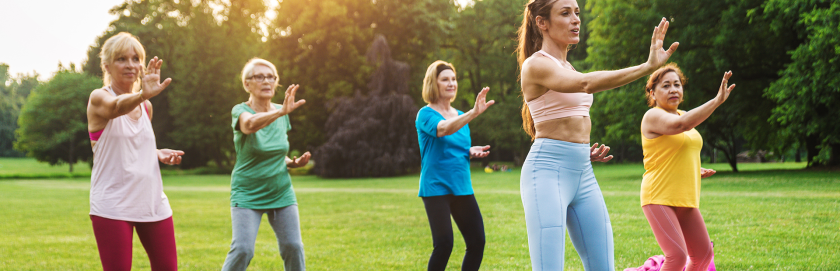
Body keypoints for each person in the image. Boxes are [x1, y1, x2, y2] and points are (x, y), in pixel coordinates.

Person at [516, 0, 679, 269]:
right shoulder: (536, 65)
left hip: (582, 172)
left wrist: (579, 150)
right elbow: (586, 83)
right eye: (565, 13)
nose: (576, 20)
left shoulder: (568, 68)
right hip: (546, 172)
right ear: (542, 23)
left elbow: (571, 111)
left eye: (577, 13)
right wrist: (647, 67)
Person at [86, 32, 184, 271]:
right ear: (107, 65)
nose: (130, 65)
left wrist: (156, 152)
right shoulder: (99, 98)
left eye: (135, 58)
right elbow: (115, 108)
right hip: (113, 205)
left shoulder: (146, 106)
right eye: (121, 59)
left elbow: (131, 144)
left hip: (152, 202)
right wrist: (142, 93)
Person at [639, 64, 734, 271]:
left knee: (703, 255)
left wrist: (693, 169)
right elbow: (680, 128)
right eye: (666, 86)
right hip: (659, 196)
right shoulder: (653, 116)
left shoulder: (683, 114)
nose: (673, 89)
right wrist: (716, 101)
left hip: (683, 196)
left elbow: (679, 150)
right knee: (677, 256)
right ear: (652, 93)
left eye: (677, 84)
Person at [222, 58, 309, 271]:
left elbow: (277, 153)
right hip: (247, 192)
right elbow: (250, 125)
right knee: (243, 249)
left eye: (271, 77)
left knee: (293, 246)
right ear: (247, 84)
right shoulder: (240, 110)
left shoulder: (282, 112)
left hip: (280, 191)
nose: (266, 81)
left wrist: (293, 162)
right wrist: (280, 112)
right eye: (259, 77)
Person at [415, 60, 493, 271]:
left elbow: (453, 144)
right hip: (436, 187)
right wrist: (473, 113)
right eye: (445, 80)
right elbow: (443, 130)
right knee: (444, 245)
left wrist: (468, 151)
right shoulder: (426, 114)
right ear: (434, 84)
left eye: (453, 79)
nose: (451, 83)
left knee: (477, 242)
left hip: (461, 186)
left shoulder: (459, 115)